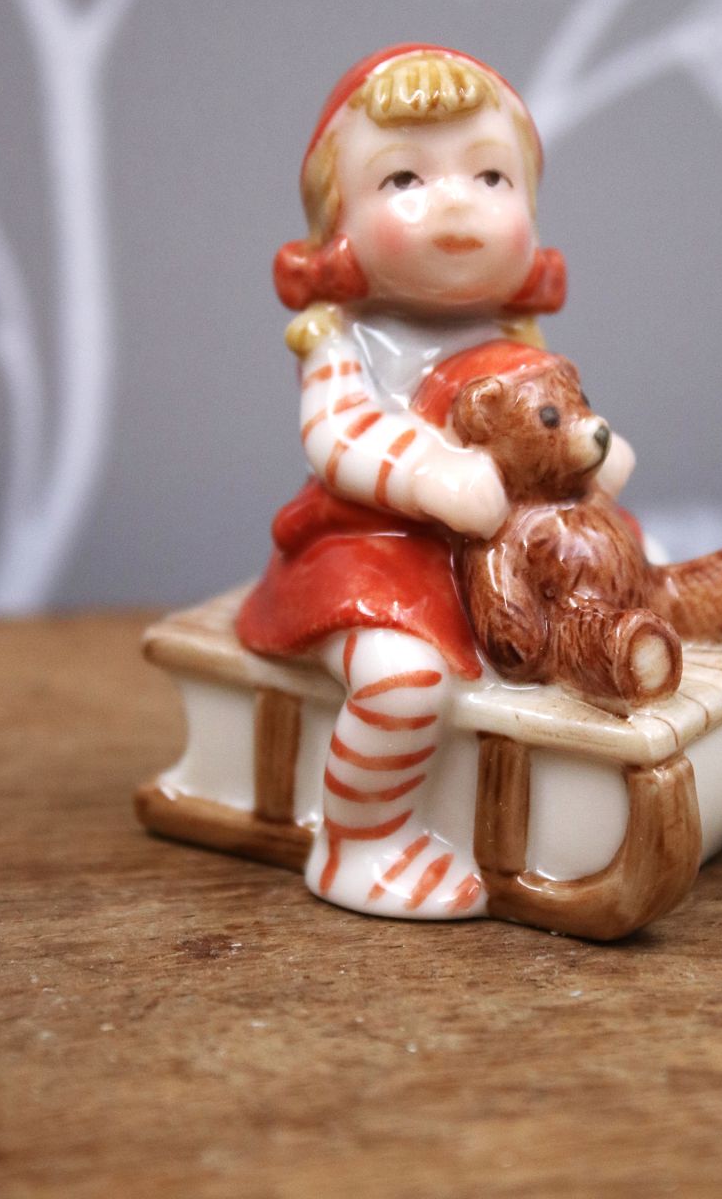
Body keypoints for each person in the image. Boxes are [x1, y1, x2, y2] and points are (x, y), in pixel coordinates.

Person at [237, 46, 635, 919]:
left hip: (505, 552)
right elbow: (339, 434)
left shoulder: (511, 336)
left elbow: (552, 426)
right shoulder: (347, 342)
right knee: (402, 678)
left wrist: (593, 455)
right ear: (337, 228)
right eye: (404, 178)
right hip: (372, 552)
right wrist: (427, 472)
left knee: (621, 567)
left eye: (492, 176)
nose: (457, 200)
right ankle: (359, 839)